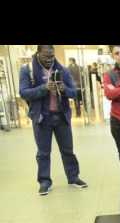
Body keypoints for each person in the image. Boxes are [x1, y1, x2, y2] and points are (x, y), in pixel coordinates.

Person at [19, 45, 88, 195]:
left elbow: (74, 93)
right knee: (43, 152)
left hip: (61, 116)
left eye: (52, 56)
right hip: (42, 118)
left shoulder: (62, 69)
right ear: (38, 53)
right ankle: (44, 181)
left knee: (68, 150)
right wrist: (44, 88)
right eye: (46, 57)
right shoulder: (27, 70)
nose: (50, 60)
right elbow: (23, 92)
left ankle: (73, 177)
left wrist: (64, 90)